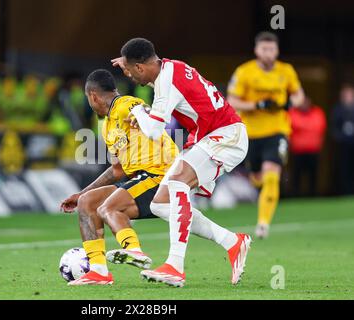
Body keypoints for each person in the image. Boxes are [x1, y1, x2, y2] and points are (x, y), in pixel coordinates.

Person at [112, 38, 251, 287]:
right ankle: (232, 242)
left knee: (177, 183)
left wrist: (137, 111)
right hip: (213, 137)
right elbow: (155, 120)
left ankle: (175, 267)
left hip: (226, 135)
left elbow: (153, 130)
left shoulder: (166, 80)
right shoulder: (170, 68)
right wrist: (127, 61)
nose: (130, 77)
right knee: (161, 204)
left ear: (141, 67)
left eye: (131, 71)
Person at [60, 69, 179, 285]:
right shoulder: (106, 126)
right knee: (88, 203)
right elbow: (117, 170)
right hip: (141, 179)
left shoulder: (126, 104)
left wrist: (145, 113)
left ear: (92, 96)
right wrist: (81, 193)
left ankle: (134, 251)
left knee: (107, 208)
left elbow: (145, 110)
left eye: (88, 99)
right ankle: (98, 272)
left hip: (161, 175)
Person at [227, 31, 305, 239]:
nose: (268, 53)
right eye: (264, 49)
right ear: (256, 50)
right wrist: (257, 105)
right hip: (250, 134)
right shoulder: (245, 72)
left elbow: (299, 95)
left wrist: (289, 103)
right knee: (256, 179)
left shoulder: (286, 71)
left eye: (272, 49)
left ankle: (263, 223)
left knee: (272, 176)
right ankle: (259, 189)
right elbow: (232, 100)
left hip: (277, 131)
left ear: (277, 50)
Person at [289, 97, 326, 196]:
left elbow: (319, 127)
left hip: (313, 150)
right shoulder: (293, 113)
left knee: (313, 175)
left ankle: (312, 195)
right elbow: (290, 126)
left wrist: (302, 128)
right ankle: (295, 195)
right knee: (297, 175)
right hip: (298, 150)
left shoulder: (317, 113)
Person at [331, 84, 354, 195]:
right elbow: (334, 127)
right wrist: (339, 137)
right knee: (344, 169)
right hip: (343, 145)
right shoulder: (338, 109)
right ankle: (345, 191)